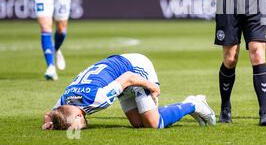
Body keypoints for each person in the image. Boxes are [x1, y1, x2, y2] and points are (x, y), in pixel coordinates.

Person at [42, 53, 216, 130]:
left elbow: (129, 78)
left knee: (153, 124)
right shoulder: (66, 101)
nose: (77, 129)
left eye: (75, 128)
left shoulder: (98, 99)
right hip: (118, 76)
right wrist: (50, 123)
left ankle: (194, 104)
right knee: (138, 124)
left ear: (79, 117)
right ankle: (186, 105)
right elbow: (49, 114)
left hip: (134, 68)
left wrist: (152, 86)